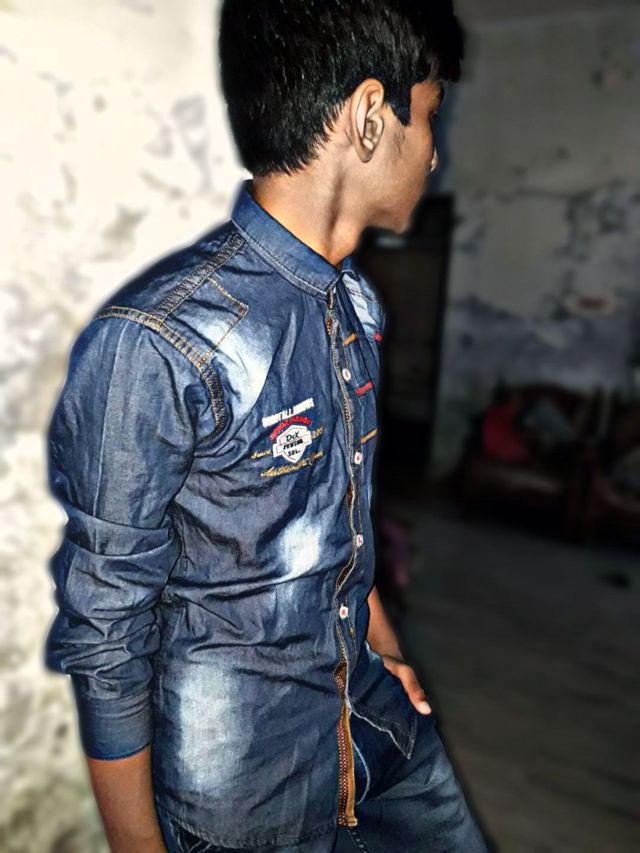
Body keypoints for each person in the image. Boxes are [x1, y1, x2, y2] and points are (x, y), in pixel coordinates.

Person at [43, 2, 488, 850]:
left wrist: (385, 649)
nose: (434, 151)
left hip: (378, 724)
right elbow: (107, 632)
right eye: (430, 115)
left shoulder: (355, 304)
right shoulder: (161, 340)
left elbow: (337, 519)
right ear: (370, 115)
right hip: (250, 789)